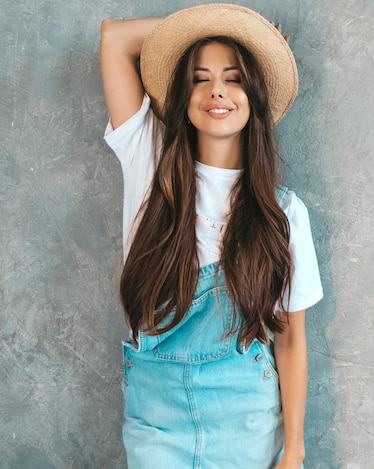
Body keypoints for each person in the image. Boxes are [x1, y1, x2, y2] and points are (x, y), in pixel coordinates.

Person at [99, 4, 323, 468]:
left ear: (254, 95)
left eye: (235, 77)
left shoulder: (283, 211)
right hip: (156, 417)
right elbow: (114, 40)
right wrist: (223, 26)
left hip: (246, 417)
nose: (217, 89)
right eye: (200, 78)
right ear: (183, 94)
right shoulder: (149, 161)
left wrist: (294, 451)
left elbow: (291, 339)